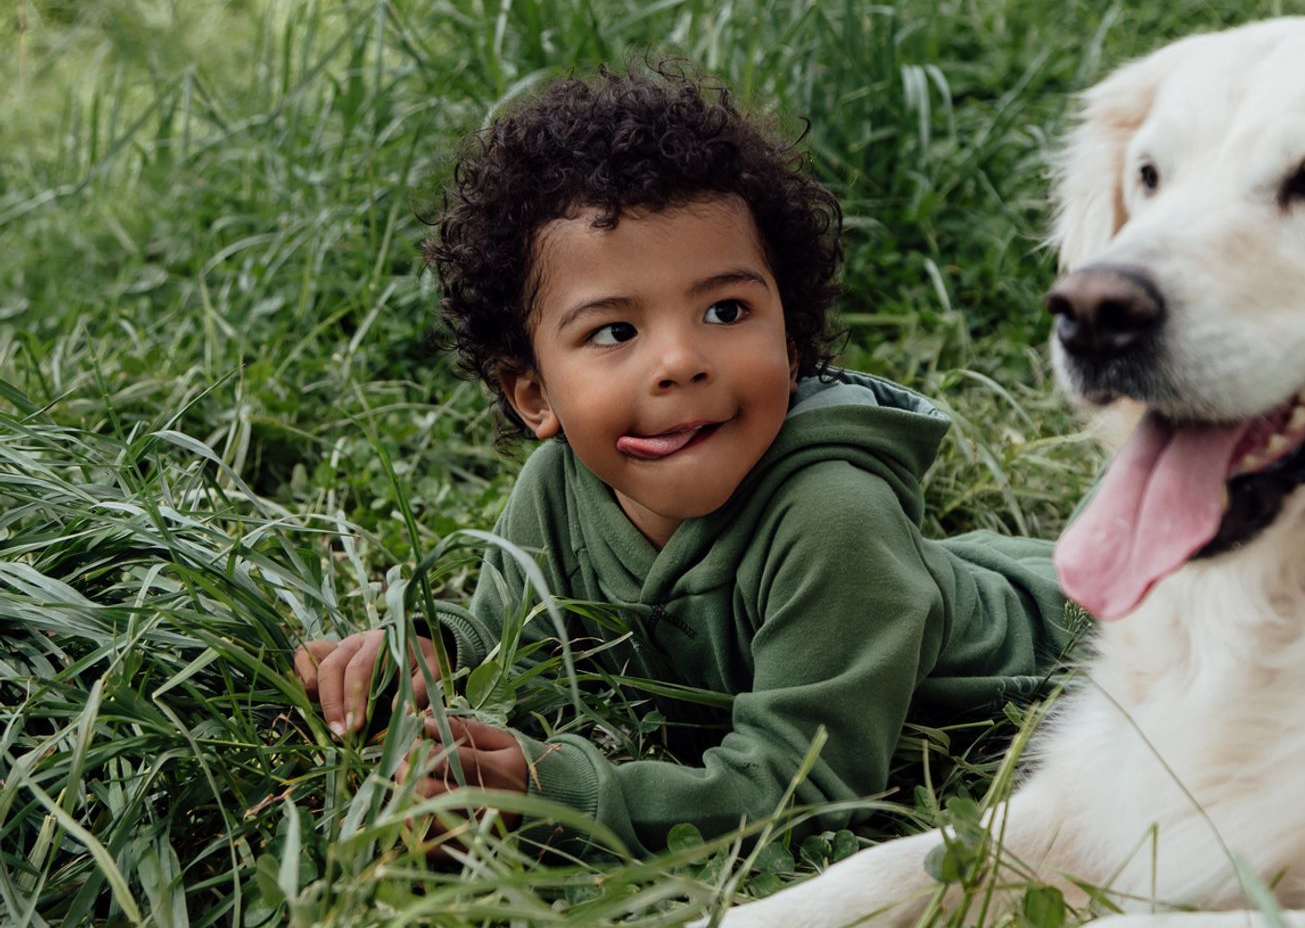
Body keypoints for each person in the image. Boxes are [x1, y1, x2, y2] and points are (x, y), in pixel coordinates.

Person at [292, 63, 1077, 859]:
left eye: (725, 310)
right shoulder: (558, 491)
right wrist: (427, 652)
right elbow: (508, 639)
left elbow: (798, 795)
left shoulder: (835, 521)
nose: (679, 360)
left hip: (1094, 644)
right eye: (613, 332)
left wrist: (555, 797)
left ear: (792, 341)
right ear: (535, 396)